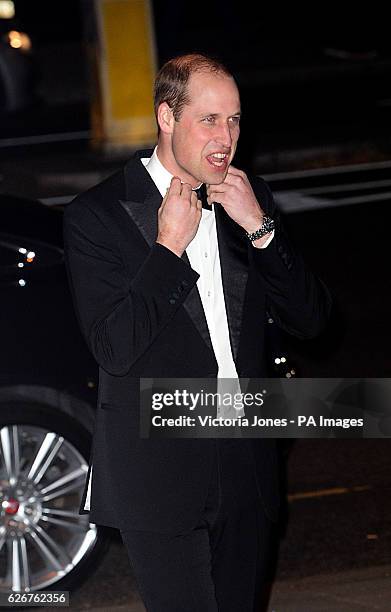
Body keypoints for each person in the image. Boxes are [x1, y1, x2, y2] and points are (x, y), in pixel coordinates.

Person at [64, 53, 331, 612]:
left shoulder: (244, 196)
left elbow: (312, 321)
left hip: (245, 461)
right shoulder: (99, 215)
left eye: (234, 120)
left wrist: (261, 230)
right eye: (209, 119)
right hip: (158, 469)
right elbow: (114, 347)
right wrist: (168, 248)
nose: (226, 136)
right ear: (167, 117)